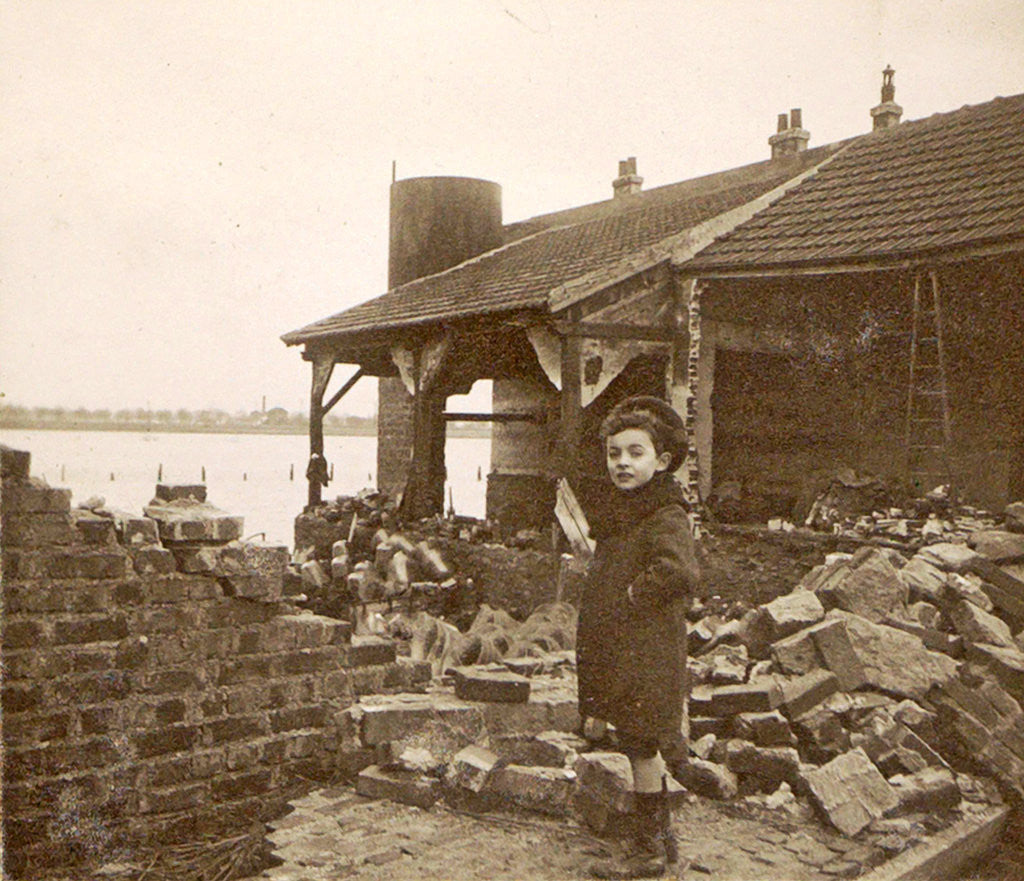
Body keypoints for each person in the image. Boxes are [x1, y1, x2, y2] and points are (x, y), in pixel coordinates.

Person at [576, 395, 700, 879]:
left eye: (635, 453)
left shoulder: (664, 513)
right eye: (614, 454)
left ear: (662, 460)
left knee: (643, 745)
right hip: (625, 650)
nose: (622, 463)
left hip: (648, 649)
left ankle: (648, 851)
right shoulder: (625, 511)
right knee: (636, 741)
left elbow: (678, 572)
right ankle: (660, 840)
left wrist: (629, 596)